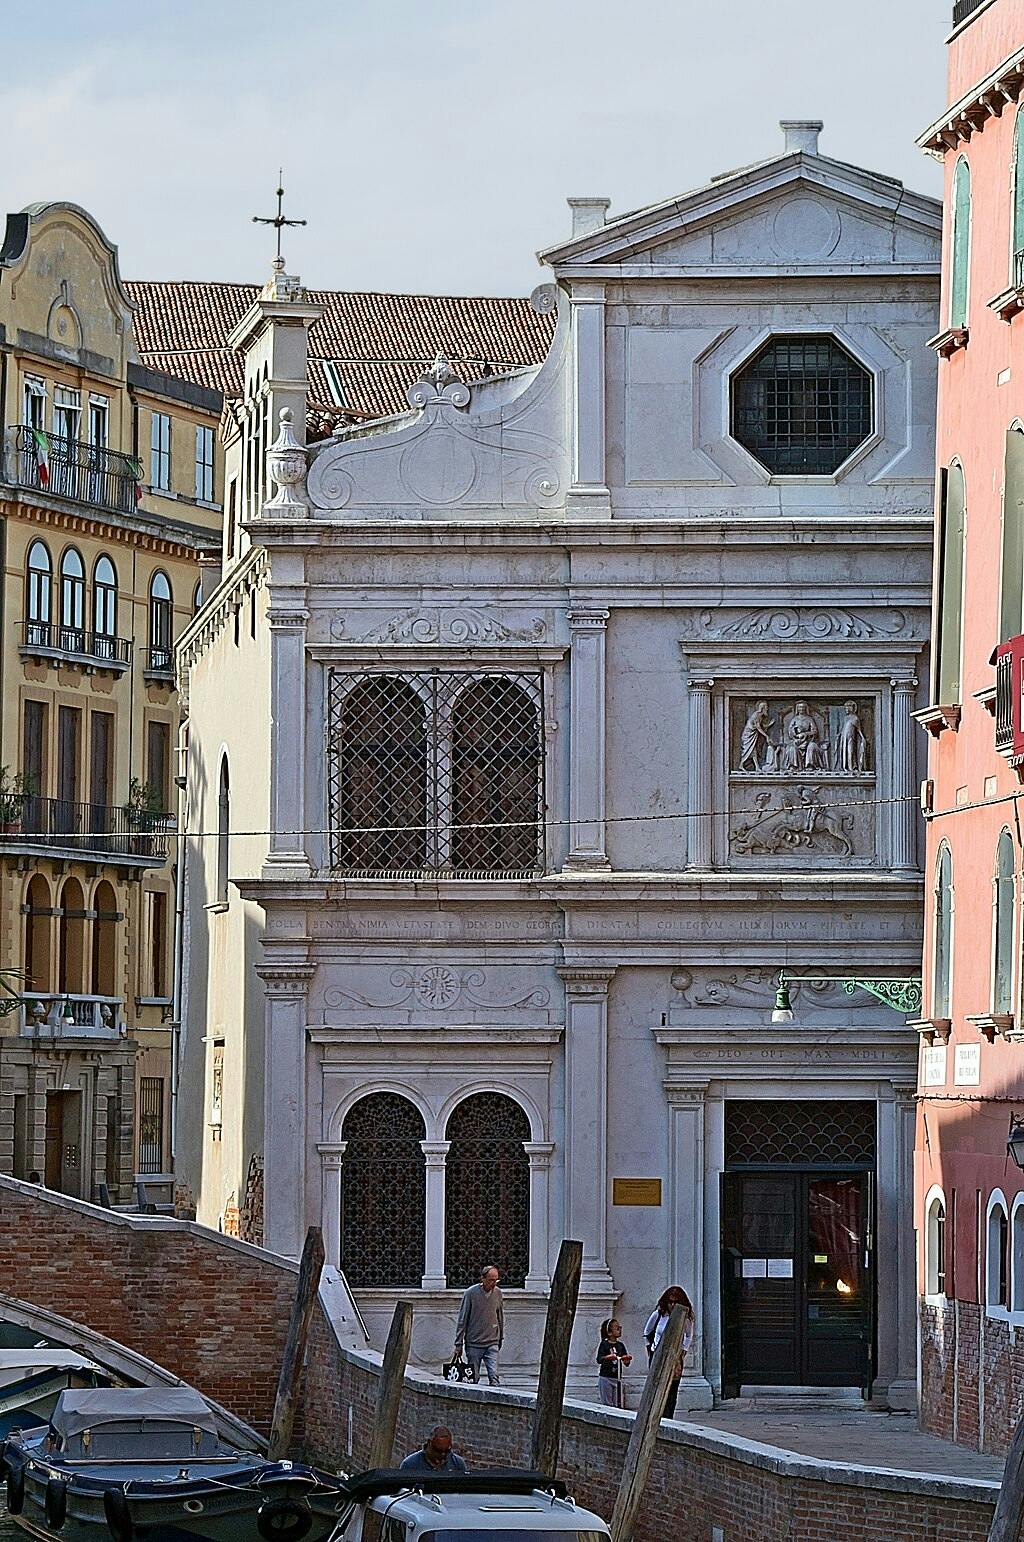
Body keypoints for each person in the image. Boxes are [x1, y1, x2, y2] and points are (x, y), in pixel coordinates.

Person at [644, 1285, 695, 1420]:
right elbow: (647, 1332)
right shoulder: (659, 1314)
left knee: (672, 1388)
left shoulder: (686, 1318)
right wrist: (650, 1349)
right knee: (656, 1385)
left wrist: (684, 1350)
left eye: (675, 1302)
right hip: (658, 1353)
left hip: (675, 1356)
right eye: (670, 1302)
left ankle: (668, 1416)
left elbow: (689, 1335)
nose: (672, 1305)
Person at [453, 1264, 503, 1386]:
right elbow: (462, 1319)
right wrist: (458, 1344)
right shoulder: (470, 1294)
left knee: (494, 1374)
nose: (494, 1283)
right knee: (473, 1377)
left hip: (492, 1341)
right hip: (474, 1343)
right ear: (483, 1279)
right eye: (491, 1280)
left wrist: (500, 1336)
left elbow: (500, 1316)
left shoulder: (497, 1293)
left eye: (496, 1280)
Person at [399, 1426, 467, 1474]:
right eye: (438, 1451)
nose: (443, 1455)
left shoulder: (458, 1464)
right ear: (429, 1443)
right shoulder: (410, 1464)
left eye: (447, 1451)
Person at [596, 1317, 631, 1408]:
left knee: (618, 1403)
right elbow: (599, 1359)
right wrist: (608, 1357)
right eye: (617, 1328)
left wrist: (626, 1360)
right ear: (609, 1332)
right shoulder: (604, 1344)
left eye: (620, 1327)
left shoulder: (620, 1345)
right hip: (606, 1377)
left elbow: (626, 1361)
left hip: (617, 1378)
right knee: (608, 1404)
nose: (619, 1330)